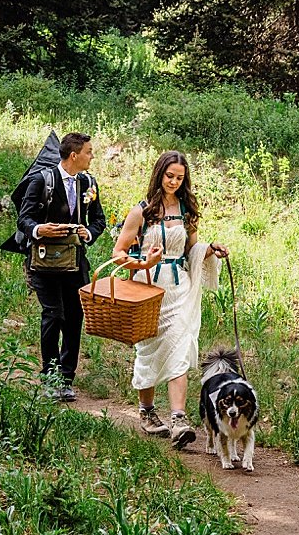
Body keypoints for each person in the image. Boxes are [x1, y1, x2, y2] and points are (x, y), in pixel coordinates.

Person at [113, 150, 229, 447]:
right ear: (159, 175)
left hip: (179, 288)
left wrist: (209, 250)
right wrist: (142, 264)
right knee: (149, 348)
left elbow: (191, 248)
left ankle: (178, 419)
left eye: (179, 177)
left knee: (180, 346)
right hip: (147, 287)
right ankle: (148, 411)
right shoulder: (141, 211)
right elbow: (119, 254)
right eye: (169, 176)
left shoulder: (186, 210)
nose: (174, 182)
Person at [13, 131, 105, 400]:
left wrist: (89, 233)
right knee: (53, 315)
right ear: (74, 155)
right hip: (43, 263)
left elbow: (98, 220)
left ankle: (67, 378)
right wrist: (41, 229)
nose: (92, 156)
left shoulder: (89, 182)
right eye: (89, 152)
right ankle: (50, 376)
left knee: (75, 318)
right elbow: (24, 220)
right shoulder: (42, 180)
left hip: (76, 262)